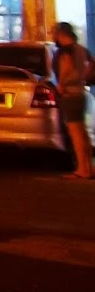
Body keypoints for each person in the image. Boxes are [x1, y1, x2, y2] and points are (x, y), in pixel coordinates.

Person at [52, 22, 92, 180]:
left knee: (75, 133)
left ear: (61, 33)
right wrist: (83, 79)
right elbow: (90, 65)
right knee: (83, 133)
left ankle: (82, 169)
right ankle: (89, 167)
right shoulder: (82, 49)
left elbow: (67, 66)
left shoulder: (65, 50)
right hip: (80, 93)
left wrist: (61, 84)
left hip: (70, 94)